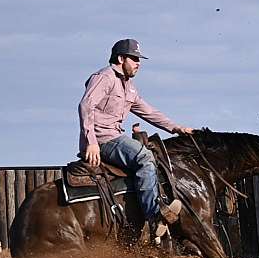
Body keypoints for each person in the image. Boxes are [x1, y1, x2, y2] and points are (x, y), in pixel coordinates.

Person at [78, 38, 193, 238]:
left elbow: (148, 111)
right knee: (144, 157)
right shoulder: (104, 78)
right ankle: (153, 217)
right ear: (120, 58)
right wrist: (92, 143)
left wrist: (175, 127)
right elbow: (86, 106)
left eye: (139, 59)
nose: (138, 63)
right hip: (103, 139)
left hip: (115, 137)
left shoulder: (129, 87)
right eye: (134, 58)